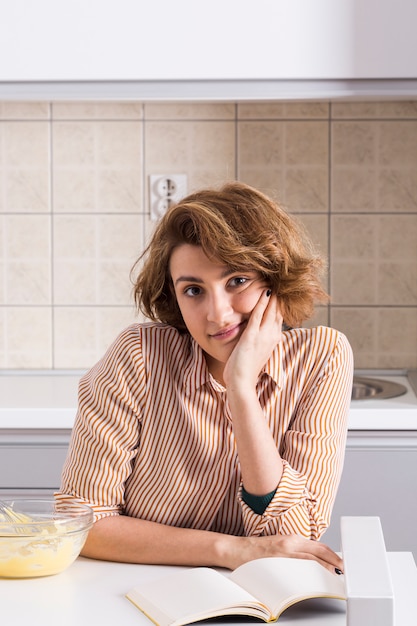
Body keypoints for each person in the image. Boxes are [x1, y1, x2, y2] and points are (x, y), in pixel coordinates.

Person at [56, 181, 353, 575]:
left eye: (237, 281)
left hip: (263, 600)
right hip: (132, 592)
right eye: (194, 290)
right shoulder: (139, 355)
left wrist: (242, 390)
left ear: (274, 280)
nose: (218, 314)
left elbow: (294, 534)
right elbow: (82, 522)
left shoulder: (322, 357)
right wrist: (229, 550)